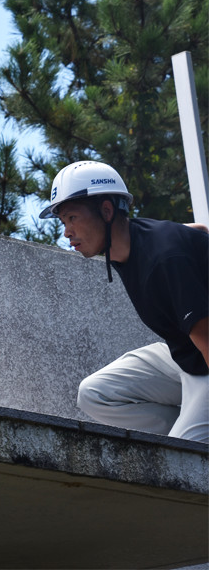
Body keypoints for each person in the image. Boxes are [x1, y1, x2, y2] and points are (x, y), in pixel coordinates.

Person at [39, 160, 208, 443]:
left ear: (106, 211)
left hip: (205, 358)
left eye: (72, 218)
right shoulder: (129, 243)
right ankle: (178, 431)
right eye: (62, 222)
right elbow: (199, 229)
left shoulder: (165, 258)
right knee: (94, 394)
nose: (66, 232)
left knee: (181, 460)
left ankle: (185, 440)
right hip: (186, 355)